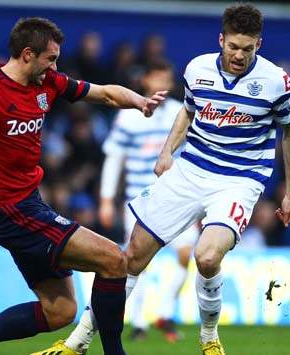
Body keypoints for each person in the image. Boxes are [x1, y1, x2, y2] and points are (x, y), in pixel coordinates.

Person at [34, 4, 290, 355]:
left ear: (259, 45)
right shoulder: (198, 69)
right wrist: (167, 151)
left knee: (206, 257)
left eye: (247, 49)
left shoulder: (276, 82)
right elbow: (188, 112)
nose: (239, 55)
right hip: (190, 170)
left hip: (239, 180)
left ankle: (209, 339)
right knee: (128, 259)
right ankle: (77, 343)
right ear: (221, 39)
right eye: (233, 46)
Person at [0, 17, 167, 355]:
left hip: (28, 206)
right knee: (114, 260)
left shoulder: (48, 82)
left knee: (59, 311)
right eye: (50, 58)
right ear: (26, 54)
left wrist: (139, 101)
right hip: (11, 210)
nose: (55, 65)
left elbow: (105, 94)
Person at [98, 60, 199, 342]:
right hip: (139, 197)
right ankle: (139, 322)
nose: (162, 85)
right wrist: (106, 199)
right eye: (157, 78)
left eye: (166, 79)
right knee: (136, 260)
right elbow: (114, 158)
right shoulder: (129, 116)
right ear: (145, 81)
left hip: (176, 196)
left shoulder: (181, 112)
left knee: (185, 253)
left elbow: (190, 156)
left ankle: (165, 314)